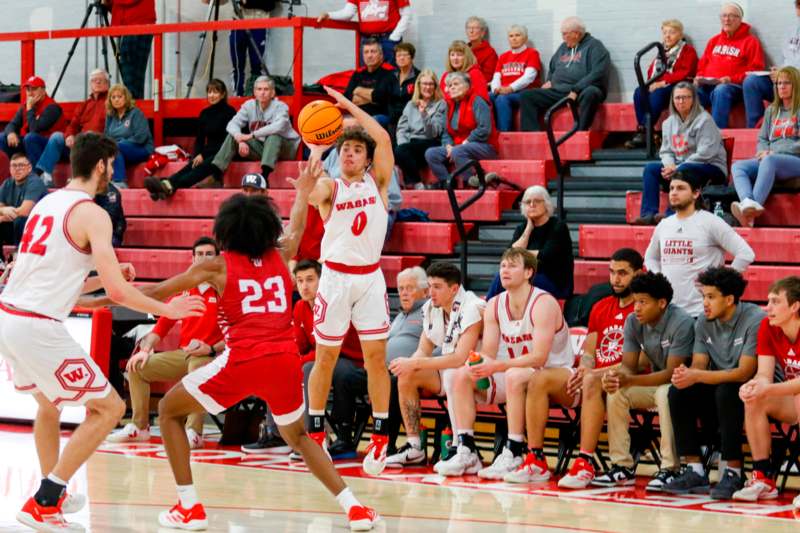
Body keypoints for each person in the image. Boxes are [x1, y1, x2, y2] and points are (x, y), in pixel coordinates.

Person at [89, 160, 380, 530]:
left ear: (225, 229)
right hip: (286, 362)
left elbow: (154, 291)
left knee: (171, 414)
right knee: (300, 437)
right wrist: (304, 192)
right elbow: (298, 224)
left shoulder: (216, 267)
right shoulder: (282, 253)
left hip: (242, 361)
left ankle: (189, 507)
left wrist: (100, 299)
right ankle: (355, 508)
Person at [7, 132, 204, 532]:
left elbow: (65, 282)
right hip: (37, 326)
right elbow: (119, 291)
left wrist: (100, 281)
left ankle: (54, 494)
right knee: (110, 408)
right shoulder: (91, 212)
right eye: (112, 165)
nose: (112, 172)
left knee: (48, 405)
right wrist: (168, 308)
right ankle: (44, 500)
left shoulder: (48, 202)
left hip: (9, 316)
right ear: (101, 165)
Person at [304, 87, 394, 476]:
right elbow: (311, 193)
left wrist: (348, 108)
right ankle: (316, 432)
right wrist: (316, 146)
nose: (350, 154)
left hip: (370, 278)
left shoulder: (379, 183)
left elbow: (385, 138)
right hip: (336, 279)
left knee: (377, 358)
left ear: (367, 158)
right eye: (345, 150)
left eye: (356, 150)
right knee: (325, 357)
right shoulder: (331, 188)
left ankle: (379, 437)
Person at [445, 248, 574, 482]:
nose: (505, 270)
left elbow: (539, 358)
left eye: (512, 265)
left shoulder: (543, 303)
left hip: (557, 374)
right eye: (502, 265)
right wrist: (477, 362)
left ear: (528, 272)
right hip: (518, 372)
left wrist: (496, 366)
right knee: (459, 375)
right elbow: (489, 353)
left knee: (514, 374)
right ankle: (466, 448)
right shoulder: (494, 304)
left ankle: (514, 450)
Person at [105, 237, 224, 450]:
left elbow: (237, 334)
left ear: (218, 259)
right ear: (192, 258)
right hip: (185, 354)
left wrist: (212, 349)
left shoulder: (226, 289)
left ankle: (194, 432)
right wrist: (145, 349)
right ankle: (139, 427)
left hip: (216, 356)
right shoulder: (185, 289)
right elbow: (161, 326)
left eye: (209, 254)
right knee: (137, 366)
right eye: (199, 254)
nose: (204, 259)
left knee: (198, 366)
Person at [662, 267, 764, 499]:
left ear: (729, 299)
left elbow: (744, 372)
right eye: (703, 297)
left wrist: (697, 375)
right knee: (678, 392)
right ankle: (695, 469)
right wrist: (685, 374)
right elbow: (698, 365)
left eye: (710, 297)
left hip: (750, 389)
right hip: (718, 386)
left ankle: (733, 471)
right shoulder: (703, 322)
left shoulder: (755, 319)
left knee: (728, 392)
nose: (705, 303)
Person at [588, 272, 693, 491]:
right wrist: (615, 377)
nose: (636, 308)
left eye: (643, 302)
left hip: (683, 386)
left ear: (662, 303)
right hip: (655, 383)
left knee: (665, 393)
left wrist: (629, 379)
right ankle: (622, 466)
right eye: (635, 301)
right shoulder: (633, 321)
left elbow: (671, 373)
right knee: (617, 391)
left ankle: (670, 468)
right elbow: (628, 366)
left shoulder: (682, 322)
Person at [558, 248, 644, 489]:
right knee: (549, 380)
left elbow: (636, 362)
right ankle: (527, 455)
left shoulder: (642, 309)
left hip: (630, 379)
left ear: (638, 273)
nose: (615, 279)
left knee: (593, 381)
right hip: (597, 379)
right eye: (612, 272)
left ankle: (584, 461)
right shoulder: (600, 306)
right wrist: (584, 368)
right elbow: (589, 352)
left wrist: (592, 374)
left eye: (623, 273)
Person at [386, 262, 485, 467]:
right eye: (429, 286)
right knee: (407, 374)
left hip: (483, 374)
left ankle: (462, 447)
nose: (431, 292)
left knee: (452, 373)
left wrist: (416, 362)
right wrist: (409, 364)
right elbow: (424, 348)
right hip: (452, 372)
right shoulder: (431, 307)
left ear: (454, 289)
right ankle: (415, 446)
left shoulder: (472, 307)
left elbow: (459, 358)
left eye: (437, 287)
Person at [644, 171, 754, 318]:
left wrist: (722, 285)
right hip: (670, 312)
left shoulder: (710, 222)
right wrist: (659, 277)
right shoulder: (664, 225)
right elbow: (650, 258)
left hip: (702, 313)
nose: (674, 193)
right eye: (672, 188)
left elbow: (745, 253)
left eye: (681, 188)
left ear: (696, 193)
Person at [734, 276, 800, 506]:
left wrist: (767, 388)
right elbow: (764, 373)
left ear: (794, 307)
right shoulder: (767, 327)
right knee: (754, 399)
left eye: (775, 302)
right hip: (794, 400)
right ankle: (763, 478)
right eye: (767, 301)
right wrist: (753, 386)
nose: (767, 308)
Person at [293, 259, 366, 460]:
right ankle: (280, 434)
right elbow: (299, 346)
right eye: (299, 281)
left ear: (322, 281)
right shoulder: (300, 306)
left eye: (310, 280)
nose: (304, 286)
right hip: (327, 362)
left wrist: (299, 362)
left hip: (354, 362)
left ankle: (326, 436)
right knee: (290, 367)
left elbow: (330, 349)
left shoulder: (334, 304)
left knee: (314, 368)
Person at [634, 82, 728, 225]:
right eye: (677, 98)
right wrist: (669, 165)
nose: (681, 101)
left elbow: (706, 153)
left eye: (685, 97)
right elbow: (666, 151)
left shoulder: (704, 120)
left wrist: (677, 168)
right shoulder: (668, 123)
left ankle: (671, 215)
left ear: (693, 99)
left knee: (684, 169)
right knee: (651, 169)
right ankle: (648, 213)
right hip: (680, 168)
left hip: (710, 168)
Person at [144, 79, 237, 200]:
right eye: (209, 92)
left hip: (224, 151)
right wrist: (197, 154)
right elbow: (200, 139)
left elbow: (226, 140)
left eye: (215, 92)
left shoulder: (229, 112)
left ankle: (170, 185)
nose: (212, 95)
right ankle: (166, 184)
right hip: (208, 151)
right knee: (191, 166)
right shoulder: (205, 113)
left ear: (223, 94)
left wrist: (203, 155)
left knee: (201, 167)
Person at [731, 66, 800, 228]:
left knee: (769, 160)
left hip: (795, 160)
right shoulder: (771, 110)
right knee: (739, 166)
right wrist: (762, 151)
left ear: (796, 85)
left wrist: (774, 153)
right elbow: (762, 137)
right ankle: (748, 203)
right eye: (779, 83)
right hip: (771, 158)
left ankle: (750, 210)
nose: (781, 87)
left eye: (787, 83)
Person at [519, 17, 609, 132]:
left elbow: (598, 72)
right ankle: (533, 137)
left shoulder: (595, 46)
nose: (563, 38)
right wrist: (549, 80)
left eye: (564, 34)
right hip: (559, 91)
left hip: (581, 91)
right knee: (527, 96)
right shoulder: (563, 47)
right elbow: (553, 67)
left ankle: (580, 132)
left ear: (576, 34)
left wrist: (576, 89)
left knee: (591, 93)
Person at [486, 186, 573, 300]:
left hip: (555, 282)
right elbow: (509, 255)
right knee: (502, 276)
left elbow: (545, 255)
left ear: (546, 204)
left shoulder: (558, 227)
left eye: (537, 201)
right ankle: (489, 309)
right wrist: (528, 229)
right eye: (528, 202)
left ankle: (487, 307)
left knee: (513, 276)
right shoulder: (522, 228)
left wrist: (521, 253)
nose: (532, 204)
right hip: (528, 276)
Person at [211, 76, 300, 188]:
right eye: (259, 89)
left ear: (272, 93)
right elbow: (232, 124)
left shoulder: (281, 107)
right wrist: (239, 139)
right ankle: (216, 175)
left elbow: (278, 126)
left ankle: (264, 177)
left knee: (273, 136)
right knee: (232, 135)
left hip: (285, 149)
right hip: (262, 148)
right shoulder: (249, 105)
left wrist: (252, 135)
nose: (262, 93)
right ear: (254, 92)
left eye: (266, 89)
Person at [625, 20, 698, 149]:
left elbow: (685, 72)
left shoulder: (688, 50)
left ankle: (644, 131)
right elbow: (651, 71)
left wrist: (662, 82)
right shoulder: (661, 51)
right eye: (665, 33)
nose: (667, 36)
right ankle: (648, 132)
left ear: (680, 35)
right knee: (639, 92)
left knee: (658, 93)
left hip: (677, 86)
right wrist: (651, 83)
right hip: (661, 85)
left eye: (672, 32)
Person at [694, 2, 765, 129]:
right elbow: (702, 64)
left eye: (732, 16)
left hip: (734, 87)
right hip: (708, 85)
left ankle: (717, 139)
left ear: (740, 19)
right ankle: (687, 139)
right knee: (686, 92)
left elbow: (756, 70)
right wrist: (698, 77)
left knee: (721, 90)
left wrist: (731, 79)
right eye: (724, 16)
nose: (727, 19)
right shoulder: (714, 40)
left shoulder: (750, 42)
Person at [36, 69, 110, 185]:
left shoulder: (110, 103)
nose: (97, 83)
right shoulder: (84, 105)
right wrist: (69, 135)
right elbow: (73, 125)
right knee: (57, 137)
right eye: (94, 81)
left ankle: (76, 179)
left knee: (87, 139)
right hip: (79, 142)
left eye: (101, 80)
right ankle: (46, 176)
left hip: (97, 142)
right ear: (90, 84)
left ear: (107, 83)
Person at [425, 72, 497, 189]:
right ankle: (447, 182)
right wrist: (448, 145)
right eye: (450, 85)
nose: (452, 87)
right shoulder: (449, 105)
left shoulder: (478, 101)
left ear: (467, 85)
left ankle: (472, 181)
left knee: (457, 151)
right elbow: (446, 131)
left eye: (456, 84)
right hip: (458, 146)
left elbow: (484, 129)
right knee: (431, 153)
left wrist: (465, 142)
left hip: (484, 146)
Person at [743, 2, 800, 128]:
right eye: (798, 6)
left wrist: (786, 74)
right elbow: (786, 59)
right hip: (785, 80)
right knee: (752, 82)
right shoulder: (790, 32)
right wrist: (778, 71)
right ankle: (754, 131)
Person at [0, 76, 64, 175]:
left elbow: (35, 129)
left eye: (34, 89)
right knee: (2, 137)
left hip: (49, 146)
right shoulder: (26, 106)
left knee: (31, 137)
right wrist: (11, 133)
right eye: (28, 90)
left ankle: (35, 175)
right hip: (30, 142)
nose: (30, 93)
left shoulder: (52, 107)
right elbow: (12, 124)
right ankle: (8, 175)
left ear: (43, 90)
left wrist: (30, 109)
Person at [394, 70, 447, 189]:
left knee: (402, 152)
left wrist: (424, 115)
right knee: (398, 151)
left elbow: (433, 133)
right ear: (419, 86)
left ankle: (417, 184)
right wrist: (403, 145)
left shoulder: (441, 104)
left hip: (430, 142)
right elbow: (402, 129)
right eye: (424, 84)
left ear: (435, 86)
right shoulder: (410, 105)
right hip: (411, 144)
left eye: (430, 84)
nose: (427, 87)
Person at [317, 0, 411, 64]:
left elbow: (407, 14)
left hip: (388, 39)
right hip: (367, 39)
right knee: (366, 77)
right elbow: (347, 13)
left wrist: (394, 37)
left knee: (391, 76)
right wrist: (328, 15)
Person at [490, 24, 542, 132]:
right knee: (484, 97)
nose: (514, 38)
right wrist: (496, 88)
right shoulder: (503, 56)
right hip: (504, 90)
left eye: (517, 35)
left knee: (502, 98)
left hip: (524, 92)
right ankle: (487, 134)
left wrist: (510, 88)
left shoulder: (532, 53)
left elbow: (529, 77)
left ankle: (504, 134)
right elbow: (496, 77)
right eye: (511, 36)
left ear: (525, 38)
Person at [104, 0, 156, 99]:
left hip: (138, 25)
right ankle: (133, 105)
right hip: (131, 25)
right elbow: (120, 7)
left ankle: (132, 106)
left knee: (132, 73)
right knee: (132, 75)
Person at [105, 84, 153, 187]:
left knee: (116, 147)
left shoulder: (136, 113)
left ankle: (119, 182)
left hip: (141, 149)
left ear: (126, 98)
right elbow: (106, 137)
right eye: (113, 97)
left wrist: (120, 143)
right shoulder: (110, 116)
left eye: (119, 96)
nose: (116, 100)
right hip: (118, 150)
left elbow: (141, 137)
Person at [343, 39, 398, 129]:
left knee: (358, 125)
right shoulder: (358, 74)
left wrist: (358, 90)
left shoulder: (389, 72)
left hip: (380, 116)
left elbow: (381, 97)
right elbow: (347, 98)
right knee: (340, 123)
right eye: (366, 52)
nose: (369, 55)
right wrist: (371, 96)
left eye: (373, 52)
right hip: (358, 116)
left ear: (381, 55)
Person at [0, 153, 47, 247]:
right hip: (13, 225)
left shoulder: (34, 182)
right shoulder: (7, 183)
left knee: (20, 220)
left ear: (29, 168)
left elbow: (25, 211)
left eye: (21, 165)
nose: (17, 169)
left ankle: (18, 255)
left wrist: (2, 216)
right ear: (10, 168)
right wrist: (3, 210)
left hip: (37, 228)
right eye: (14, 165)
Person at [228, 0, 271, 97]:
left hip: (260, 21)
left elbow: (271, 4)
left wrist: (247, 3)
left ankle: (259, 96)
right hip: (238, 21)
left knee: (258, 65)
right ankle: (237, 95)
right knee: (238, 65)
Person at [390, 42, 420, 121]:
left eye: (405, 55)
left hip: (411, 118)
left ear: (412, 57)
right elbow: (387, 99)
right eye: (399, 55)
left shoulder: (418, 76)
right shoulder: (392, 75)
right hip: (392, 118)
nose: (401, 58)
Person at [465, 16, 498, 83]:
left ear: (482, 32)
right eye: (469, 28)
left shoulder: (489, 52)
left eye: (475, 28)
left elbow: (488, 78)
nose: (471, 31)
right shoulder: (463, 49)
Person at [94, 182, 126, 248]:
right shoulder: (89, 190)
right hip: (96, 232)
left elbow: (110, 217)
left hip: (111, 233)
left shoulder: (111, 193)